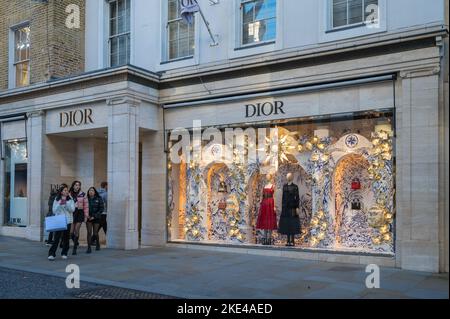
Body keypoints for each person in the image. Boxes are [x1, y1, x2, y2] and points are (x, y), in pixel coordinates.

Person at [48, 185, 75, 260]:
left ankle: (64, 253)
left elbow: (72, 210)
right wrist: (60, 203)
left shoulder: (70, 199)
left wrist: (66, 204)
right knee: (56, 237)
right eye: (64, 190)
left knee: (66, 238)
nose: (66, 191)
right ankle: (52, 254)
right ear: (61, 191)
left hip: (68, 220)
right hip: (59, 220)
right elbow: (54, 210)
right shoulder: (57, 199)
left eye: (67, 190)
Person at [69, 181, 89, 255]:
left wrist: (86, 215)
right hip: (72, 213)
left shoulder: (83, 194)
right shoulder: (69, 194)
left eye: (79, 185)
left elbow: (86, 206)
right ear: (73, 186)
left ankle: (74, 248)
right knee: (71, 232)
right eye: (76, 185)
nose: (77, 186)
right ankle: (76, 242)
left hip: (79, 212)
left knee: (77, 230)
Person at [85, 187, 104, 253]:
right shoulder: (86, 199)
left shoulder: (99, 198)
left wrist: (94, 216)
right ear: (88, 192)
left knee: (95, 233)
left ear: (95, 192)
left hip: (96, 218)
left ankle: (98, 244)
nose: (91, 192)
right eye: (90, 190)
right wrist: (87, 216)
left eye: (92, 190)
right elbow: (84, 208)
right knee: (89, 232)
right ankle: (89, 247)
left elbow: (101, 209)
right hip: (88, 218)